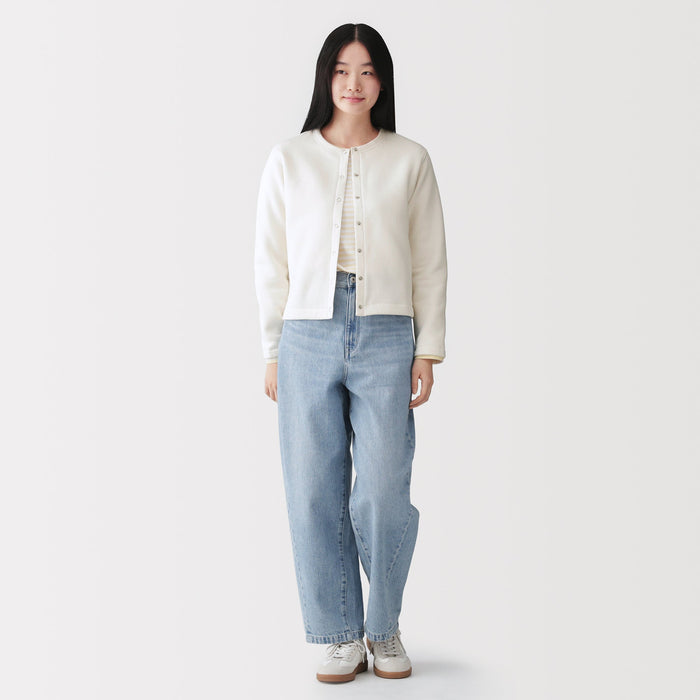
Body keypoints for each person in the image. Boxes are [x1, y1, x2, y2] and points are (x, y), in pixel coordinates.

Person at [254, 23, 447, 683]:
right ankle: (339, 634)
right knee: (312, 488)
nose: (353, 83)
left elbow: (430, 261)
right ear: (325, 78)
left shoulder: (410, 159)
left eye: (366, 71)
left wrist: (429, 349)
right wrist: (273, 350)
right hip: (305, 332)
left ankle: (383, 626)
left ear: (382, 81)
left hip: (388, 331)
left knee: (384, 490)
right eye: (341, 70)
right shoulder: (289, 158)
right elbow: (270, 262)